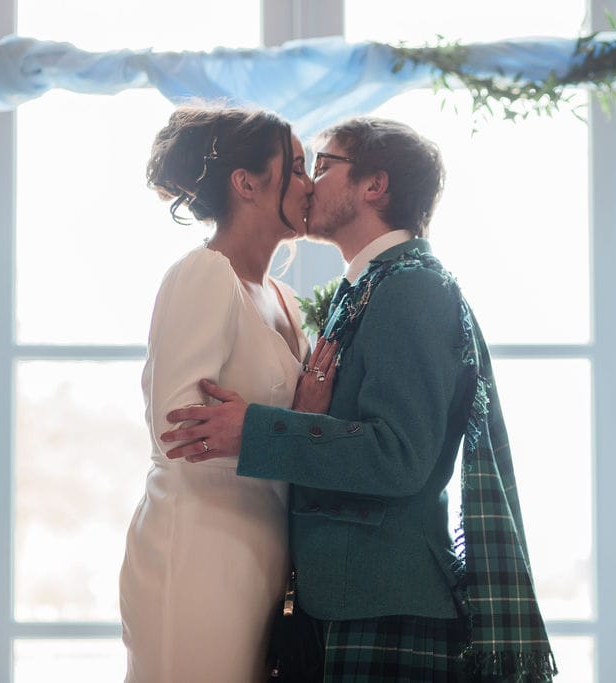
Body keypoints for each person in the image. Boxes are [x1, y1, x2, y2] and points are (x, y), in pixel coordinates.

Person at [161, 117, 557, 681]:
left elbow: (399, 456)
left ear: (375, 186)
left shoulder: (412, 287)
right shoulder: (372, 284)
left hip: (385, 602)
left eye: (324, 165)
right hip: (352, 600)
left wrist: (255, 430)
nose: (308, 183)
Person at [118, 104, 337, 682]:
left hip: (262, 559)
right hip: (197, 554)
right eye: (296, 166)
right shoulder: (204, 274)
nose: (311, 183)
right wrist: (282, 425)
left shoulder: (284, 296)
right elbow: (178, 430)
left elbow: (284, 432)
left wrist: (301, 417)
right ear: (246, 183)